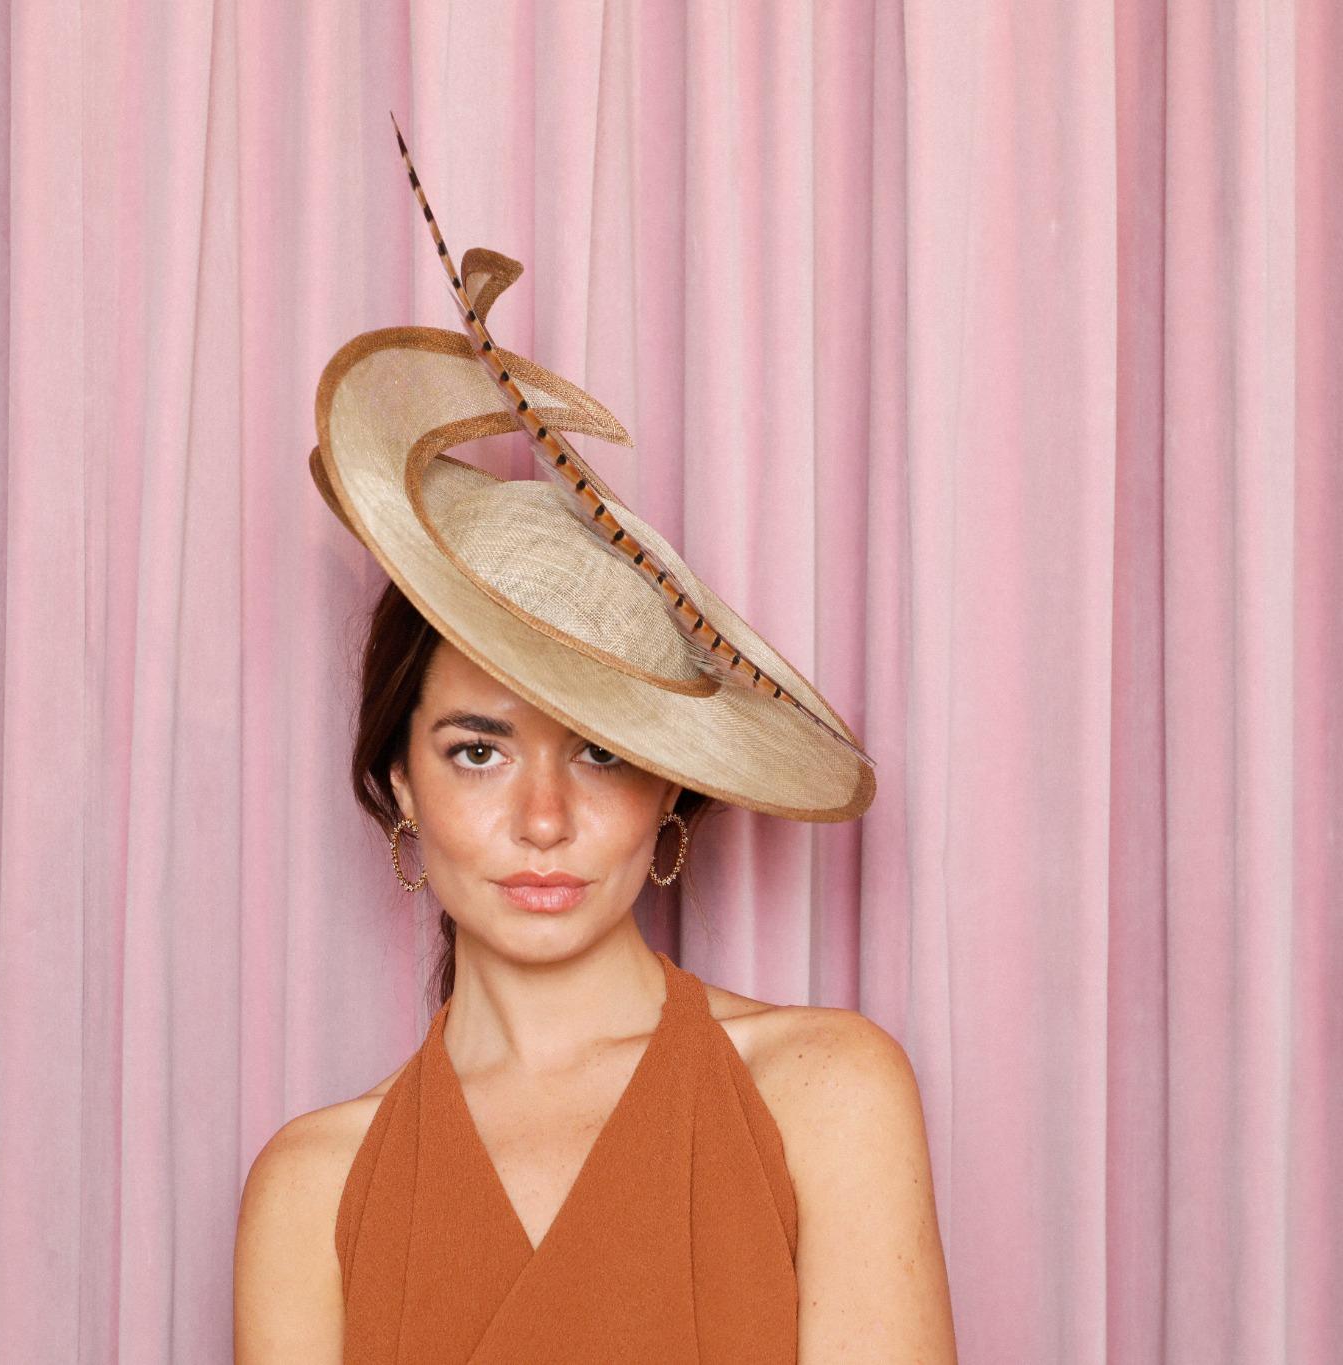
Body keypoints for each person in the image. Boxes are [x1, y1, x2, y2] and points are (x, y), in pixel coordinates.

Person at [234, 123, 957, 1363]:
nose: (543, 819)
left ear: (672, 790)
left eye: (600, 752)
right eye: (476, 750)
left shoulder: (825, 1092)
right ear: (398, 784)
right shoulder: (312, 1188)